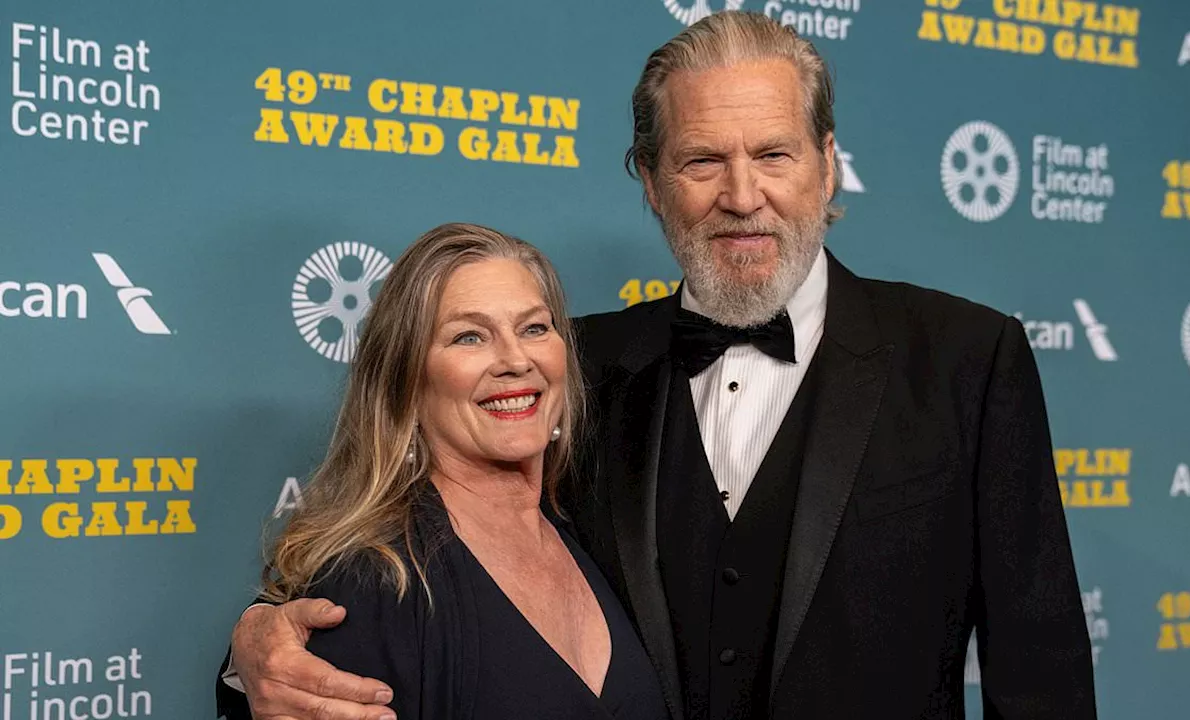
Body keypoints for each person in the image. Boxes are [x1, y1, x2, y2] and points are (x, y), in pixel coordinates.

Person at [218, 12, 1097, 720]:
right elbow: (371, 577)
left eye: (775, 155)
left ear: (829, 168)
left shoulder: (966, 360)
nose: (742, 195)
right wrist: (253, 648)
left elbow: (1043, 673)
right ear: (650, 180)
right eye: (702, 160)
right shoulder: (575, 368)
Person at [233, 223, 668, 720]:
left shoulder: (589, 529)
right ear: (406, 381)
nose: (514, 360)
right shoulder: (378, 580)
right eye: (469, 337)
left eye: (533, 328)